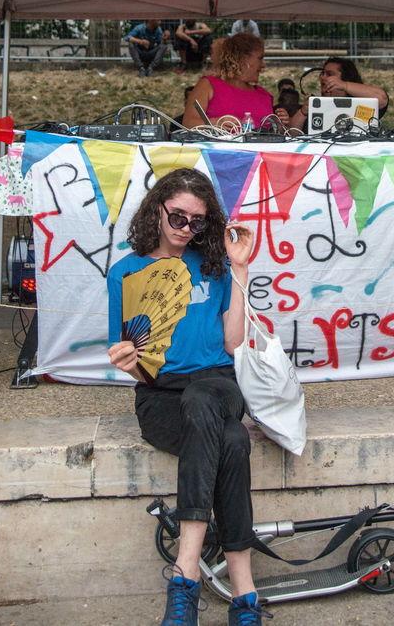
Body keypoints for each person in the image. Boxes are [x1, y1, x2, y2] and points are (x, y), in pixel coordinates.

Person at [107, 168, 269, 626]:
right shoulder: (125, 273)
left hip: (218, 384)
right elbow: (135, 360)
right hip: (160, 396)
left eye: (197, 222)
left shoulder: (215, 266)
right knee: (232, 441)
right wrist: (127, 363)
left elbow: (234, 343)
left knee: (202, 399)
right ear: (156, 209)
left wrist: (240, 268)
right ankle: (245, 593)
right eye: (177, 216)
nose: (185, 228)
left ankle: (185, 572)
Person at [181, 33, 278, 130]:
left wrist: (280, 125)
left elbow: (273, 133)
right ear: (243, 58)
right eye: (260, 58)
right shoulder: (208, 85)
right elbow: (188, 123)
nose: (263, 65)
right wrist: (215, 123)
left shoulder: (265, 95)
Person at [286, 57, 389, 131]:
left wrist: (345, 85)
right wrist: (303, 112)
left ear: (346, 77)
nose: (323, 77)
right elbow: (291, 134)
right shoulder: (315, 105)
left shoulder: (361, 102)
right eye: (322, 73)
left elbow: (382, 98)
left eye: (329, 74)